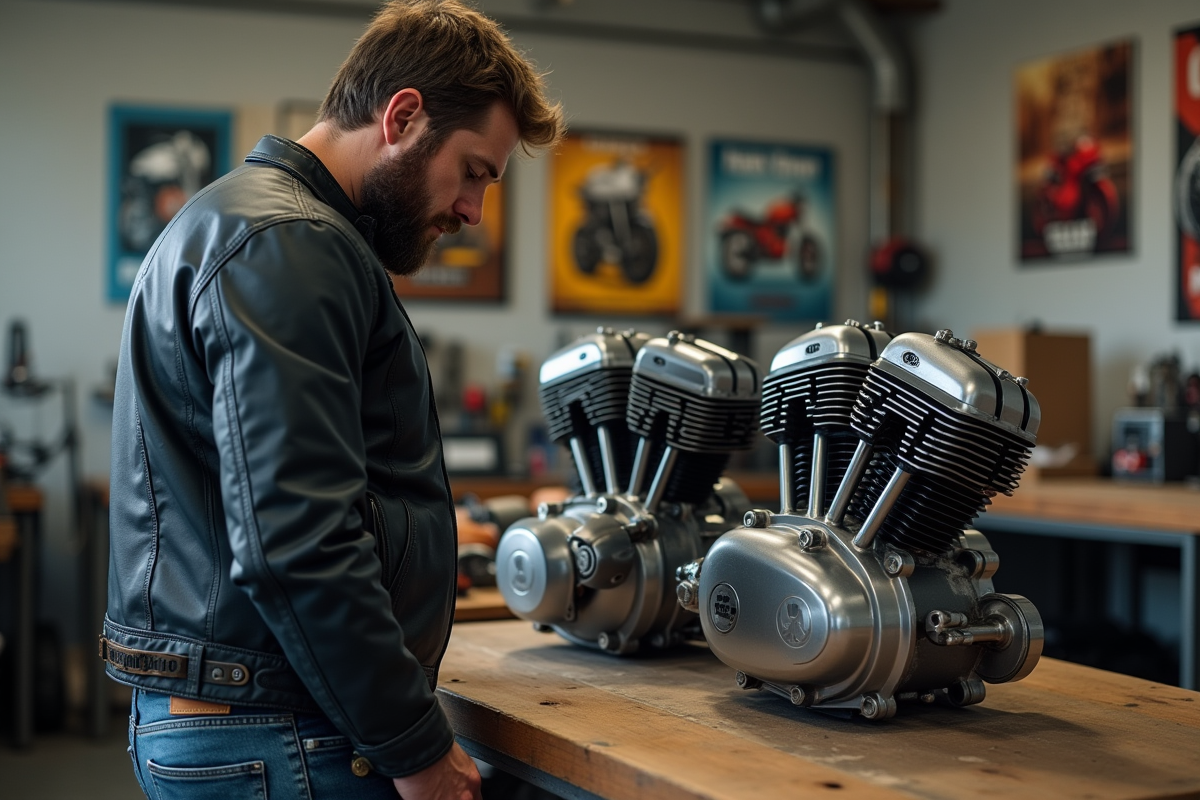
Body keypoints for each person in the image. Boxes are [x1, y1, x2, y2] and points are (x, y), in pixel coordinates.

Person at [100, 2, 563, 798]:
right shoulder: (292, 244)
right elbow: (297, 537)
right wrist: (414, 747)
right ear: (404, 115)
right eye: (475, 172)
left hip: (240, 715)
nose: (472, 211)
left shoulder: (241, 224)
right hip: (280, 729)